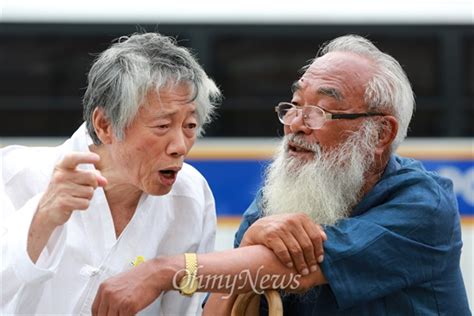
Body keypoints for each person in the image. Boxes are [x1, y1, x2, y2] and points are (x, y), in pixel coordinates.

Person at [90, 34, 470, 315]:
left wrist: (161, 272)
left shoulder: (422, 205)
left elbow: (295, 271)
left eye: (321, 111)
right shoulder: (277, 201)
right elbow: (224, 303)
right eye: (295, 105)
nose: (295, 124)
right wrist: (248, 244)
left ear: (380, 134)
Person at [1, 32, 222, 314]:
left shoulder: (191, 196)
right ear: (105, 124)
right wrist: (42, 218)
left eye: (190, 126)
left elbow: (183, 309)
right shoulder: (15, 174)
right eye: (162, 126)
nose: (180, 146)